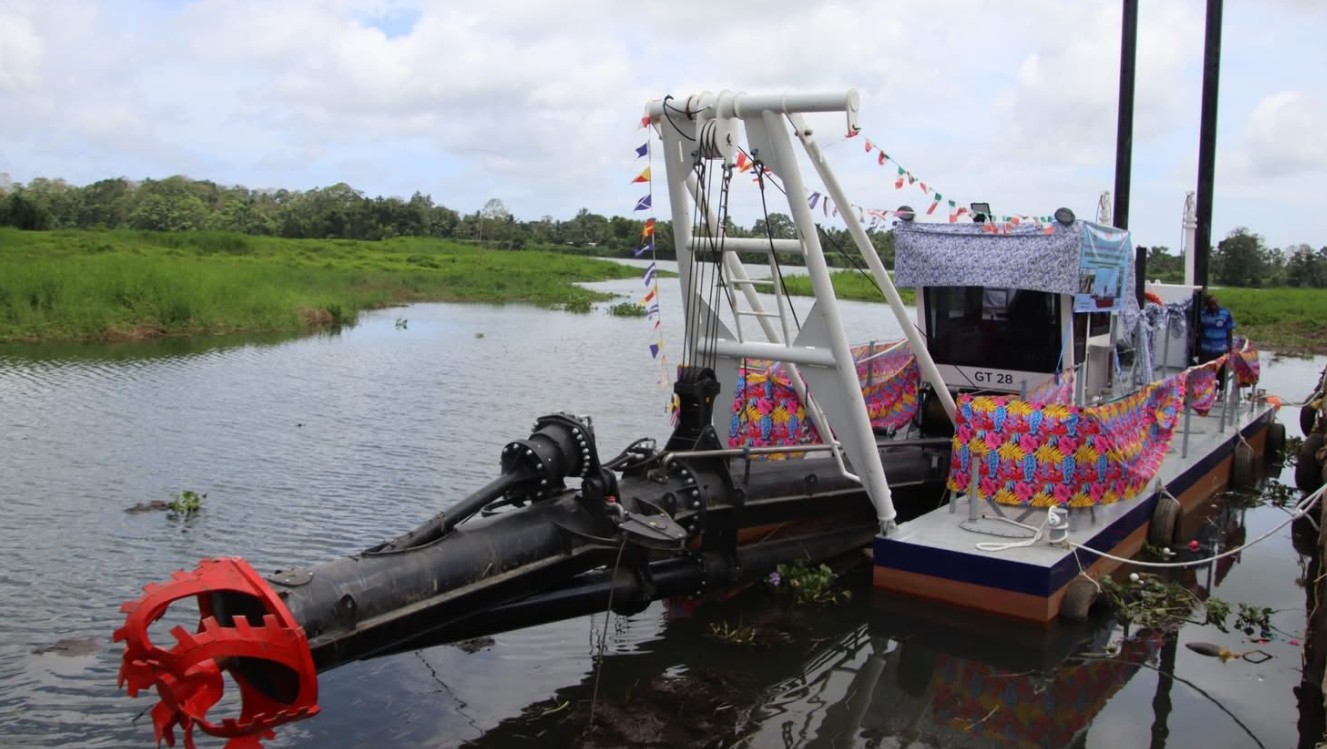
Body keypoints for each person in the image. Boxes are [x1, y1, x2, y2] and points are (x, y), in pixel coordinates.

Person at [1198, 293, 1235, 388]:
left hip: (1221, 350)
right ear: (1207, 305)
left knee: (1221, 376)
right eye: (1210, 304)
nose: (1213, 306)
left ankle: (1220, 392)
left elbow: (1229, 331)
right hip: (1206, 350)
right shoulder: (1202, 314)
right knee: (1206, 376)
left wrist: (1229, 348)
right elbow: (1200, 330)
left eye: (1214, 303)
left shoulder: (1225, 313)